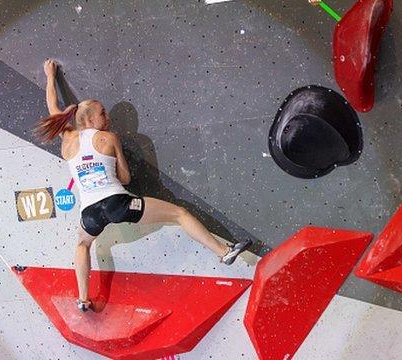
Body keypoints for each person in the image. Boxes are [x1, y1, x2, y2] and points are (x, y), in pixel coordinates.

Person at [34, 59, 252, 313]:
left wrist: (50, 75)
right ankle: (224, 252)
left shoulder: (67, 139)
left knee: (82, 245)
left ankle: (83, 299)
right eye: (103, 112)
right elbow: (125, 179)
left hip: (90, 212)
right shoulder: (109, 138)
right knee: (179, 214)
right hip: (118, 203)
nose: (108, 116)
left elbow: (53, 106)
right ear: (91, 119)